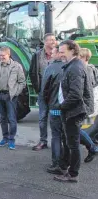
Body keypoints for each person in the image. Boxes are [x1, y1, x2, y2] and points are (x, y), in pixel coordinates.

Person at [54, 40, 93, 183]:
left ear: (72, 50)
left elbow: (76, 95)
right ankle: (64, 167)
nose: (60, 54)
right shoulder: (71, 65)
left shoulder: (75, 67)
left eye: (63, 51)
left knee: (73, 144)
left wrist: (61, 106)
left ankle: (73, 174)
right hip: (70, 109)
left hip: (74, 110)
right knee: (68, 141)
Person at [0, 46, 26, 150]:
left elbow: (22, 82)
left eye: (3, 55)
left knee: (12, 118)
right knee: (3, 118)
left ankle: (11, 139)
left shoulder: (16, 66)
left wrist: (15, 92)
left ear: (8, 55)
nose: (1, 57)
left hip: (10, 96)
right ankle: (4, 138)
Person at [30, 33, 57, 151]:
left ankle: (57, 141)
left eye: (54, 40)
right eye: (50, 40)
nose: (53, 41)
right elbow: (32, 73)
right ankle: (43, 141)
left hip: (56, 92)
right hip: (43, 92)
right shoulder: (37, 55)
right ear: (45, 42)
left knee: (56, 117)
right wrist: (38, 88)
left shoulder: (59, 54)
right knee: (42, 117)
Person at [42, 46, 66, 174]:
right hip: (68, 109)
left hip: (55, 108)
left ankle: (56, 164)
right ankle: (66, 162)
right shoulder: (71, 67)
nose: (50, 54)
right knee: (66, 137)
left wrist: (48, 103)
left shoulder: (51, 68)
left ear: (59, 53)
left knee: (56, 136)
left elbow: (45, 90)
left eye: (53, 52)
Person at [78, 48, 98, 163]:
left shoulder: (86, 71)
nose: (78, 59)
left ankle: (92, 148)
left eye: (80, 57)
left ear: (85, 58)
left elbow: (86, 90)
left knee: (78, 130)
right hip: (91, 105)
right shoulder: (92, 68)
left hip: (86, 106)